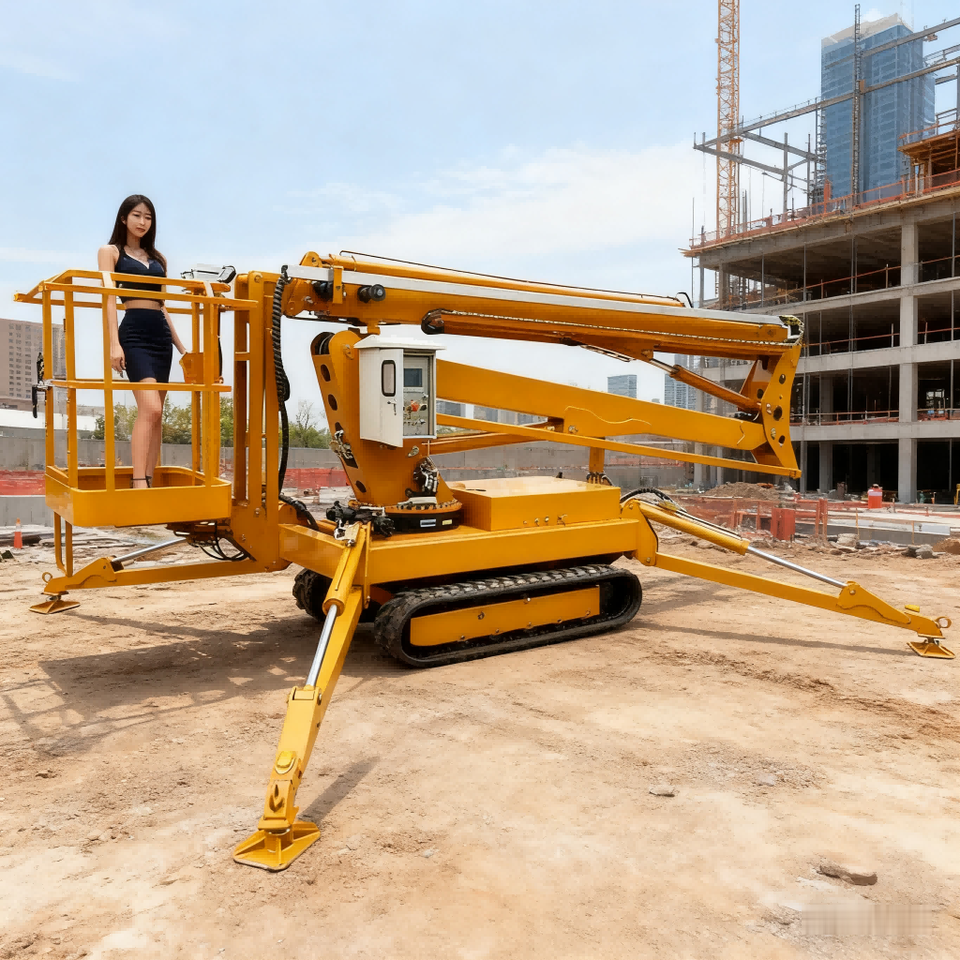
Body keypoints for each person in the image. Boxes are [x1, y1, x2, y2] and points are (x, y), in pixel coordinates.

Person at [98, 195, 186, 489]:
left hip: (160, 334)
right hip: (133, 333)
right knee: (151, 408)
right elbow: (109, 299)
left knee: (157, 415)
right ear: (124, 218)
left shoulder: (158, 259)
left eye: (148, 217)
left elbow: (163, 305)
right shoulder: (110, 252)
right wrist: (114, 344)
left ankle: (149, 477)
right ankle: (137, 480)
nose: (142, 222)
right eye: (137, 215)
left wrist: (182, 348)